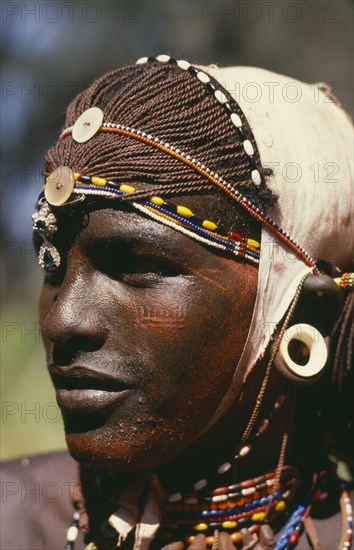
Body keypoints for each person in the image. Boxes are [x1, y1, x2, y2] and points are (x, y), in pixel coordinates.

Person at [3, 55, 353, 550]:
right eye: (53, 267)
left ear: (302, 310)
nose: (64, 320)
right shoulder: (12, 520)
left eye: (137, 267)